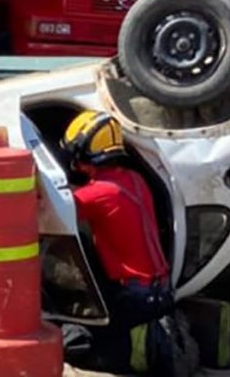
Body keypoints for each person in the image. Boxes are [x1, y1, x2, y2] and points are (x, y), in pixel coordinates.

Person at [59, 110, 192, 375]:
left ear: (82, 155)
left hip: (133, 297)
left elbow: (54, 211)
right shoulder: (136, 180)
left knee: (72, 342)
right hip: (162, 292)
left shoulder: (98, 194)